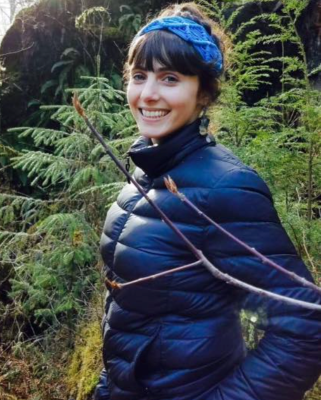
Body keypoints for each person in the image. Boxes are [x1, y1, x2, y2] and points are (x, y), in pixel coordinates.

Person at [94, 3, 321, 399]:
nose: (148, 94)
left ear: (203, 93)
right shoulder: (144, 175)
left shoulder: (225, 188)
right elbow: (129, 318)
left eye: (169, 78)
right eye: (139, 75)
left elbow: (306, 324)